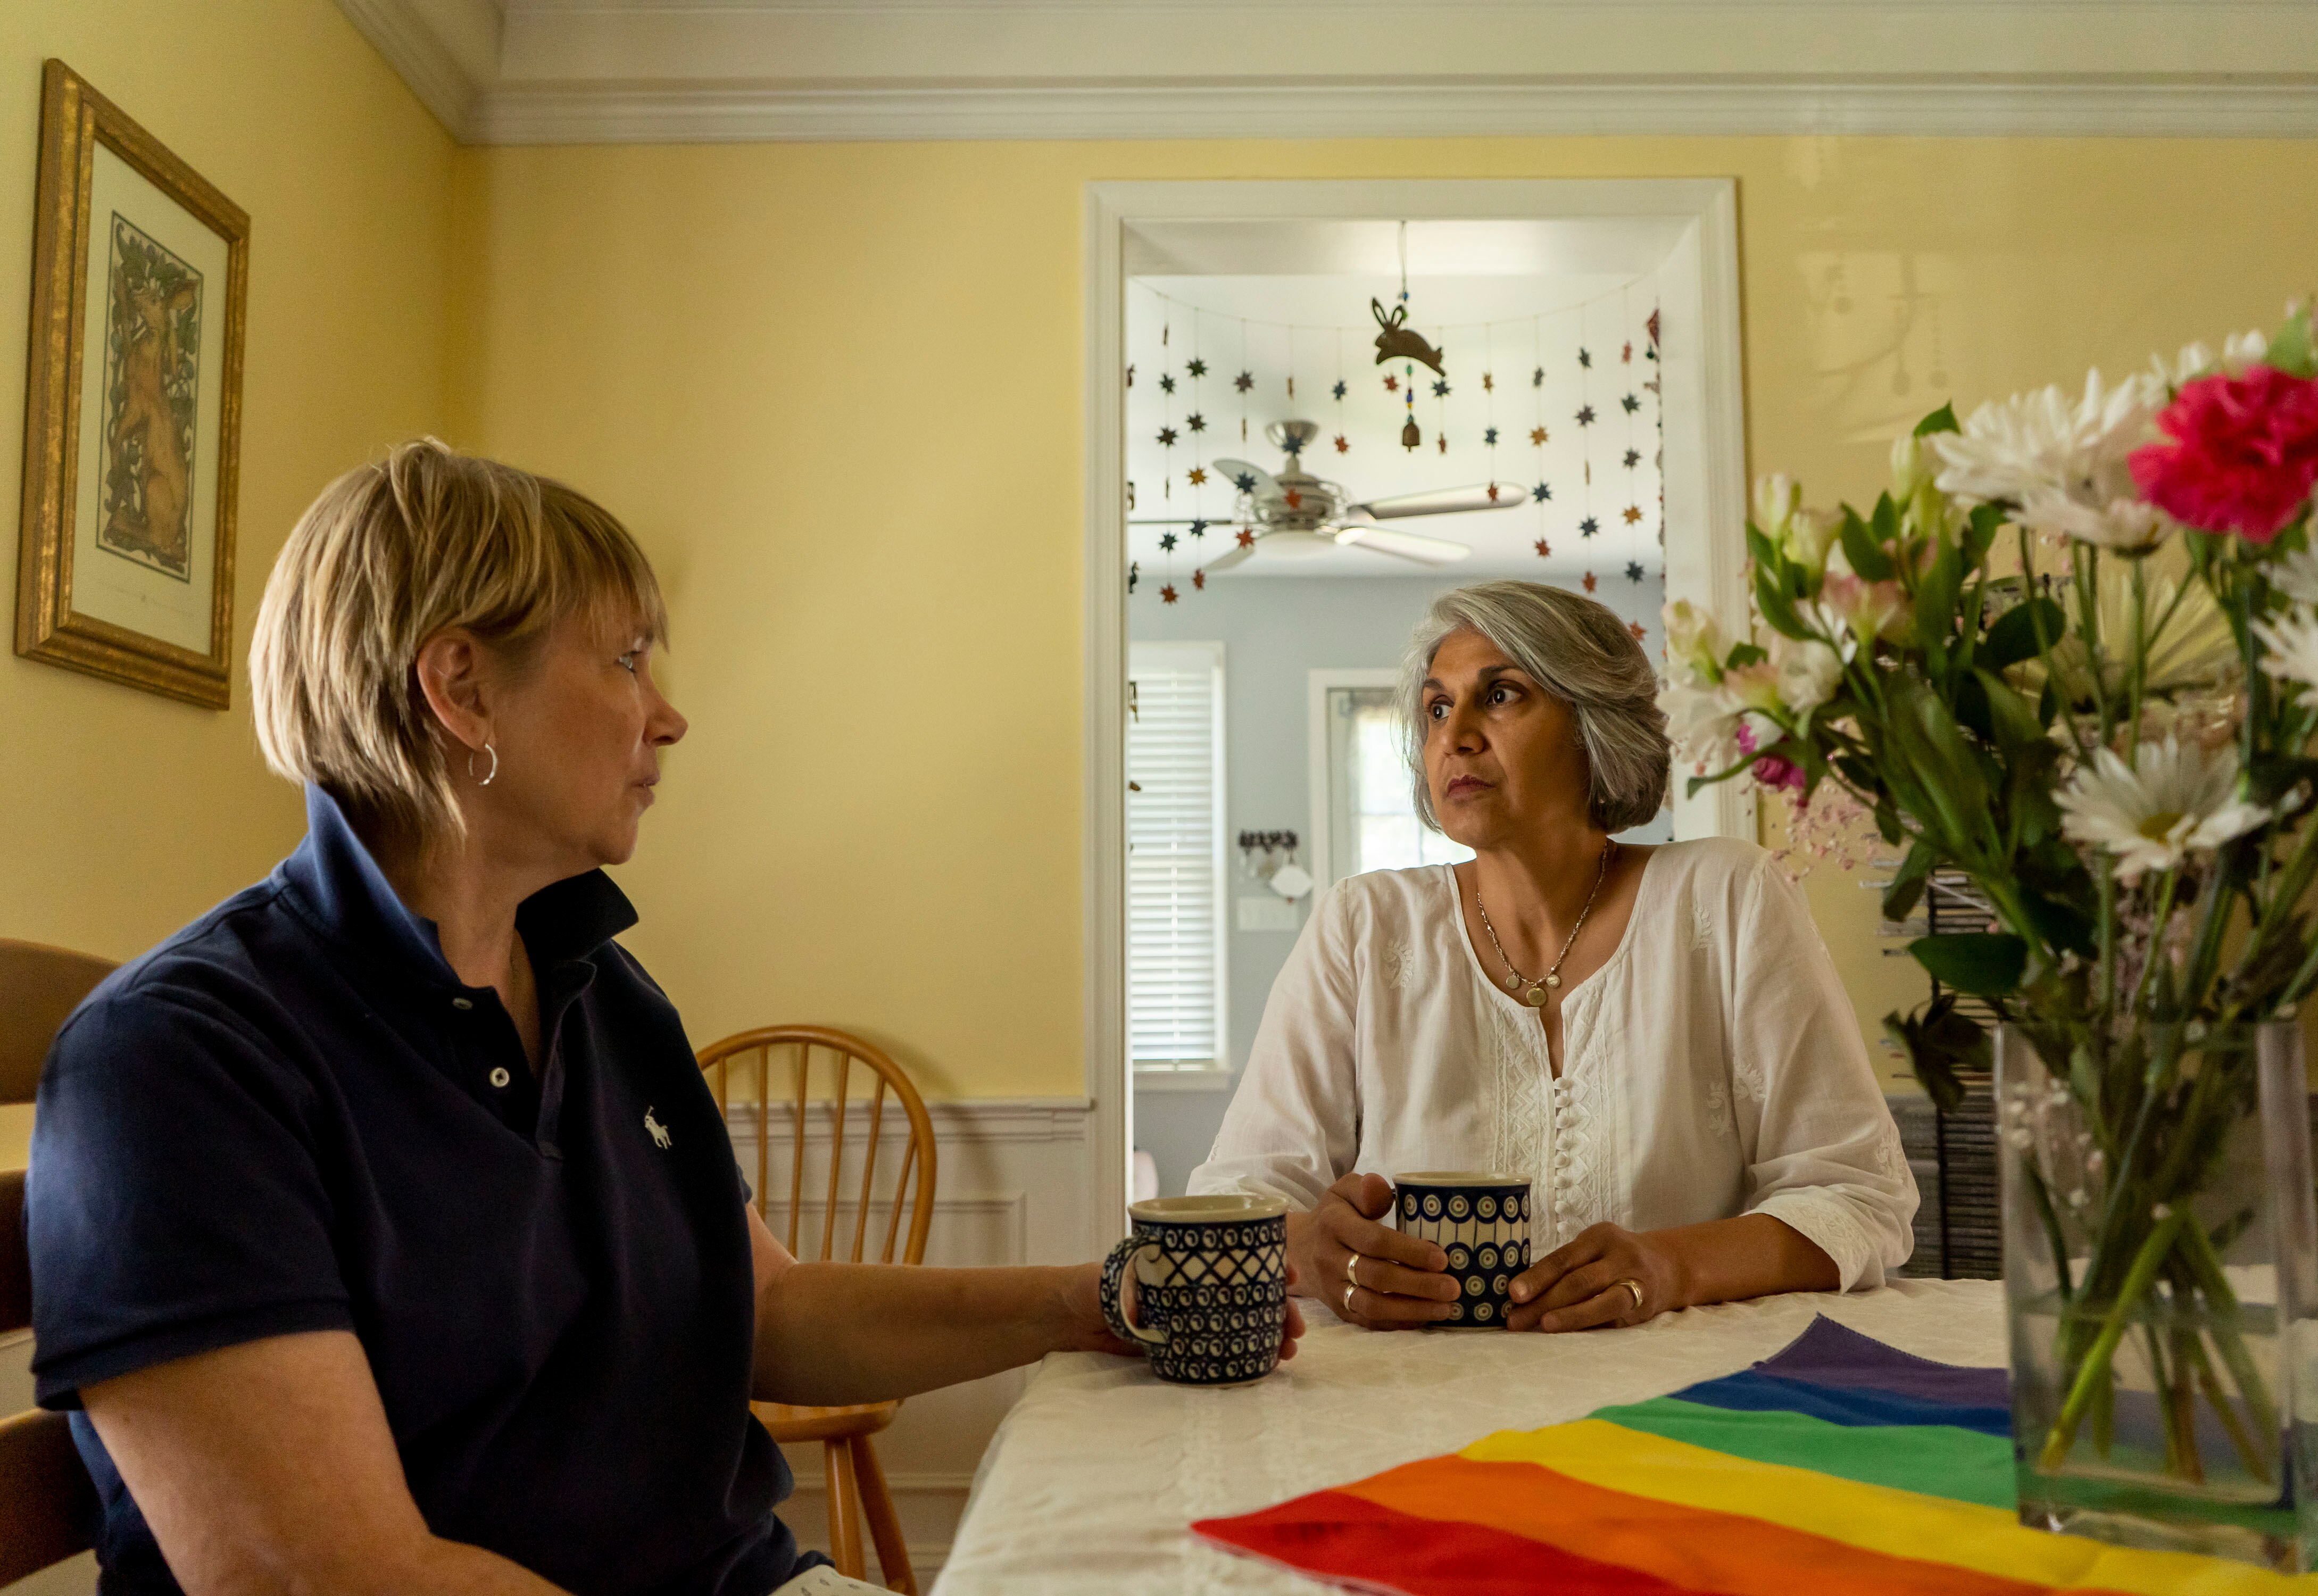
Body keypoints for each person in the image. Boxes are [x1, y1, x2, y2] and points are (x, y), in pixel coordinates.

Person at [27, 440, 1302, 1596]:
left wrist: (1095, 1301)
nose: (669, 713)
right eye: (627, 658)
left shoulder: (594, 982)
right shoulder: (186, 1059)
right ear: (463, 692)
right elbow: (335, 1578)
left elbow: (768, 1312)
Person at [1189, 580, 1915, 1334]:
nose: (1455, 736)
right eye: (1437, 708)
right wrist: (1314, 1248)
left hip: (1691, 1402)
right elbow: (1233, 1201)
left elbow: (1856, 1197)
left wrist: (1670, 1267)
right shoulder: (1362, 927)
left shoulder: (1728, 897)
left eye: (1500, 695)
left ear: (1591, 724)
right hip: (1402, 1405)